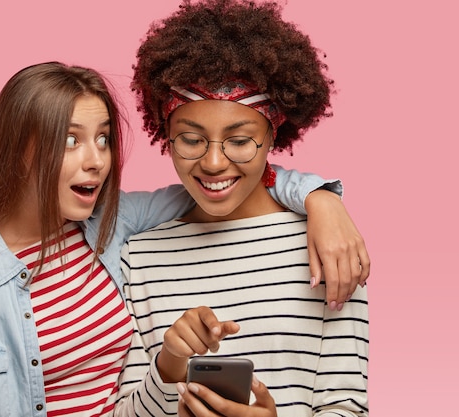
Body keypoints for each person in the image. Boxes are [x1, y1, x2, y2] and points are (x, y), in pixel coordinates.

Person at [0, 61, 366, 416]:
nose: (96, 161)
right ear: (18, 151)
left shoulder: (110, 228)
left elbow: (222, 184)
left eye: (104, 139)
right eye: (69, 140)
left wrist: (321, 199)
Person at [116, 1, 368, 416]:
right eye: (192, 139)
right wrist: (169, 365)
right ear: (166, 134)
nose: (214, 163)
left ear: (273, 135)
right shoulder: (138, 256)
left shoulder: (329, 248)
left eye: (239, 140)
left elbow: (348, 407)